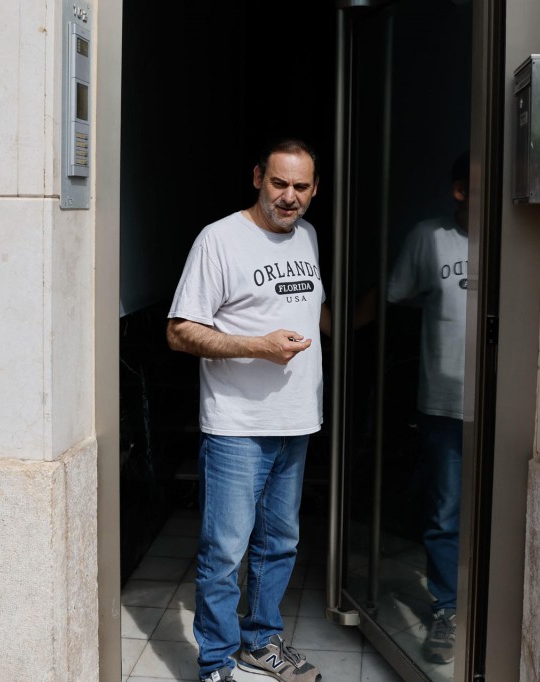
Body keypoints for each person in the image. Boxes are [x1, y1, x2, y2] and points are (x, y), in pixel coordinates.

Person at [166, 138, 327, 682]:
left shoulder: (307, 236)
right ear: (258, 177)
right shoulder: (219, 239)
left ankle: (261, 641)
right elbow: (180, 331)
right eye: (278, 183)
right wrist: (258, 345)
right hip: (237, 425)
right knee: (225, 552)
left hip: (297, 420)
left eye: (300, 186)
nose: (289, 197)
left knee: (279, 543)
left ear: (314, 189)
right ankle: (215, 663)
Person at [386, 151, 469, 665]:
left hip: (507, 408)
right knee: (446, 512)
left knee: (501, 513)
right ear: (460, 191)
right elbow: (397, 295)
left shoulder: (518, 239)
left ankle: (496, 605)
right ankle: (448, 609)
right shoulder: (430, 237)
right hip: (444, 403)